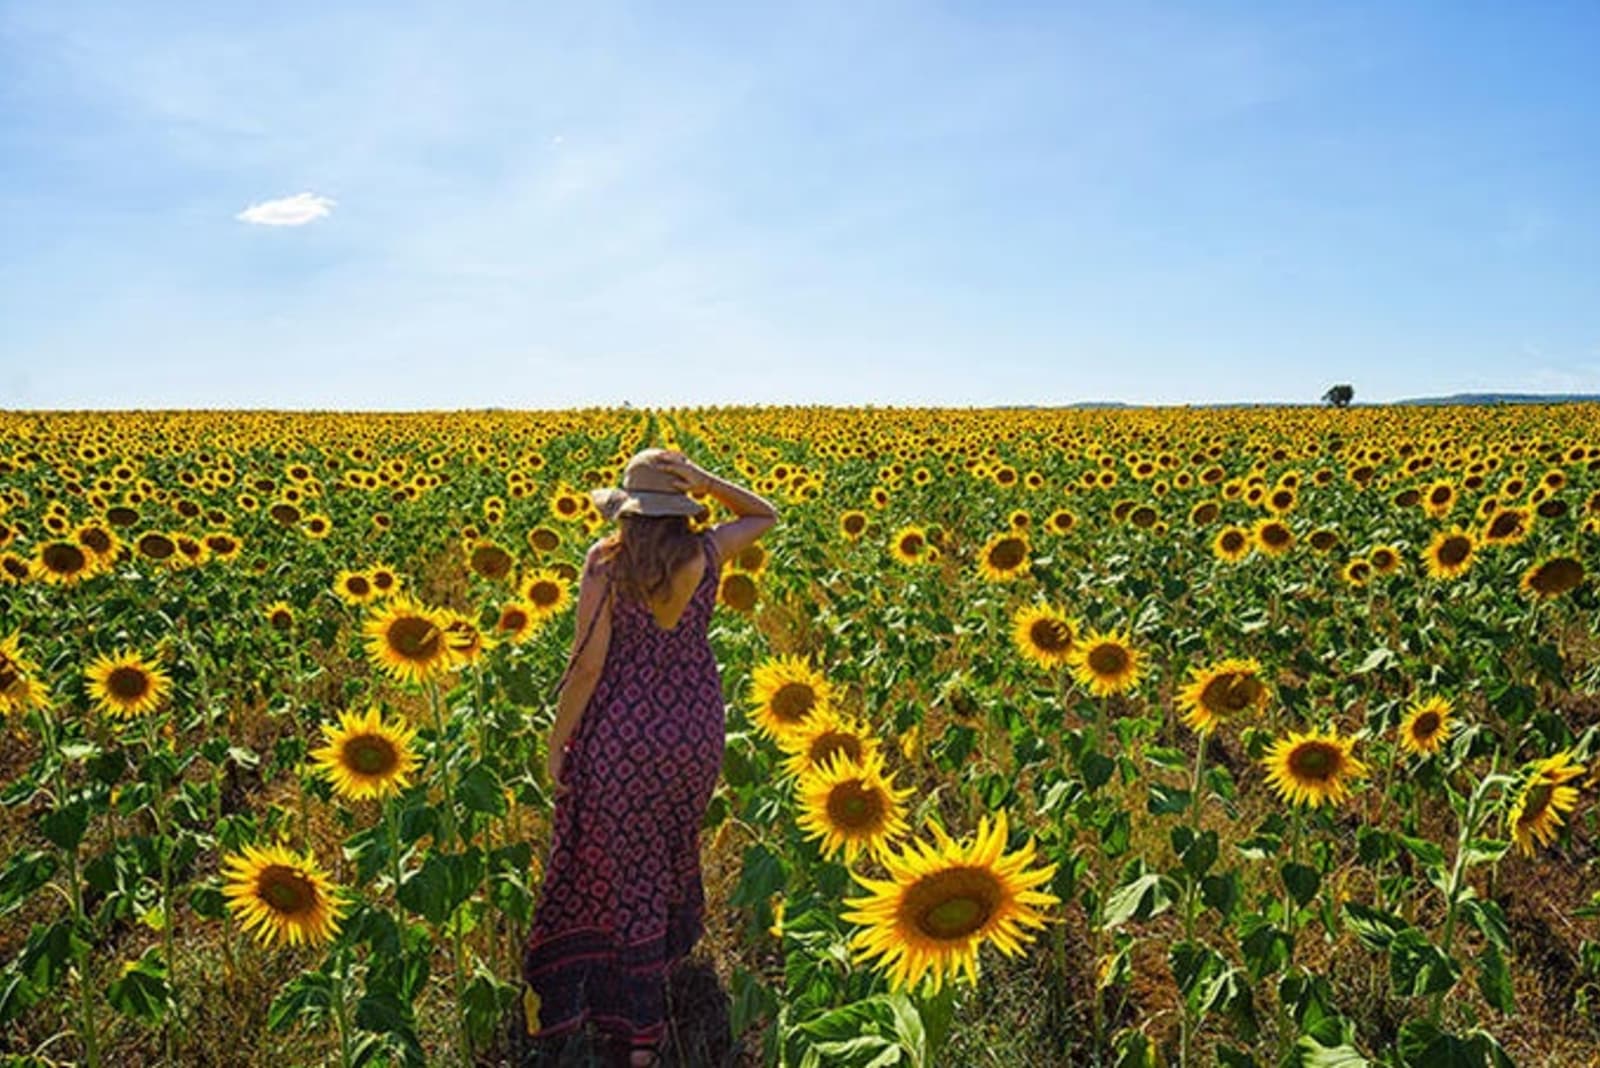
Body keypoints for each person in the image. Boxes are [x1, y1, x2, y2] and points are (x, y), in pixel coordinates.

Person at [522, 448, 778, 1068]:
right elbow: (765, 515)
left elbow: (586, 665)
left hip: (623, 732)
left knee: (628, 868)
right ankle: (657, 970)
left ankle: (639, 1028)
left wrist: (558, 745)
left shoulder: (606, 562)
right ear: (682, 504)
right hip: (692, 729)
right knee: (667, 848)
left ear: (628, 512)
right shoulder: (706, 552)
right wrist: (710, 481)